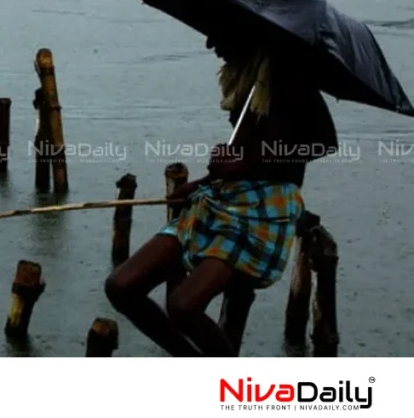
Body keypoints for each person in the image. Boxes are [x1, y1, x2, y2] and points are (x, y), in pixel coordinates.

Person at [104, 36, 338, 356]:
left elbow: (324, 143)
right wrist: (203, 182)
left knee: (183, 306)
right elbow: (242, 151)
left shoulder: (289, 75)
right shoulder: (244, 74)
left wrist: (248, 163)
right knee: (120, 286)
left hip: (265, 210)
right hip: (221, 197)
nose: (210, 43)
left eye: (219, 33)